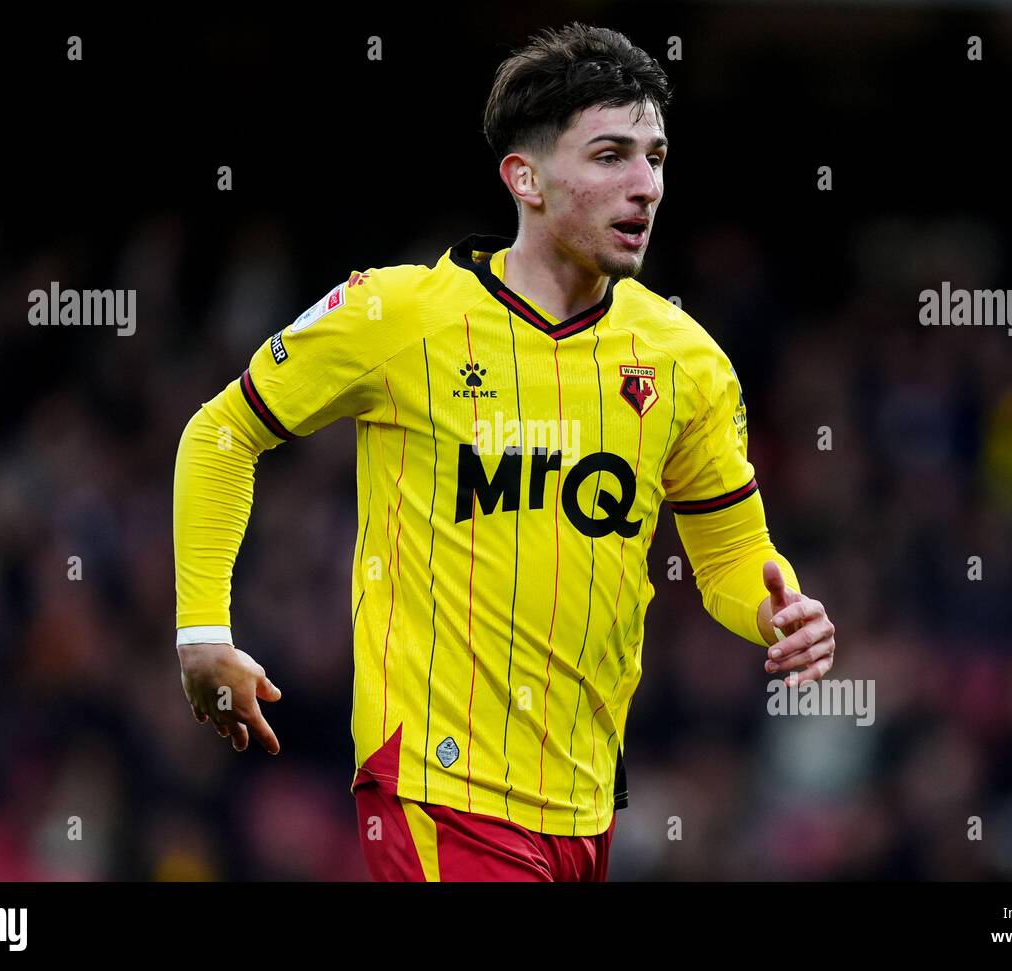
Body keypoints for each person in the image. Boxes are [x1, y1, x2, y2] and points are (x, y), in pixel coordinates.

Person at [173, 22, 836, 882]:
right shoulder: (398, 316)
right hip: (435, 789)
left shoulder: (687, 361)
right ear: (524, 178)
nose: (645, 187)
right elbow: (222, 432)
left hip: (586, 805)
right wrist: (201, 631)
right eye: (610, 156)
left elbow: (731, 556)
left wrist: (777, 609)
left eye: (657, 157)